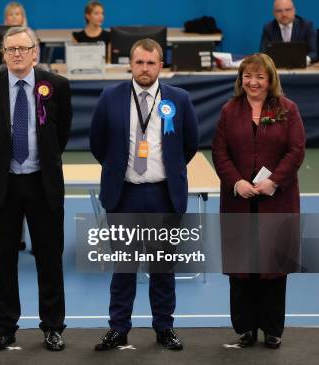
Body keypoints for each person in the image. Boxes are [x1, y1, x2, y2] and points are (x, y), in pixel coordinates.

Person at [90, 38, 198, 351]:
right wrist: (116, 171)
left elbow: (189, 144)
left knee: (162, 268)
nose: (145, 69)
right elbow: (98, 142)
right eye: (139, 62)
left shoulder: (179, 99)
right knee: (124, 267)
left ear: (160, 65)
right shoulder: (111, 97)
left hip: (165, 194)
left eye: (151, 63)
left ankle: (164, 328)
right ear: (131, 64)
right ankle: (118, 329)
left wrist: (167, 172)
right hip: (124, 194)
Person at [0, 26, 72, 352]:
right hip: (4, 185)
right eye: (10, 49)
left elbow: (62, 134)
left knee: (49, 260)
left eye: (22, 49)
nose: (16, 54)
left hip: (43, 184)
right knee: (2, 261)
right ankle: (5, 328)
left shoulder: (56, 86)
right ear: (3, 53)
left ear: (35, 53)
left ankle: (53, 327)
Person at [211, 53, 305, 349]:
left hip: (277, 200)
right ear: (241, 80)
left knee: (273, 269)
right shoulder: (229, 110)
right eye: (247, 77)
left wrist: (273, 181)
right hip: (239, 200)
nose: (253, 82)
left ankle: (273, 329)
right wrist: (236, 182)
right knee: (242, 270)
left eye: (259, 77)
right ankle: (245, 329)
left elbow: (296, 150)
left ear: (270, 80)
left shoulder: (287, 109)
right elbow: (219, 152)